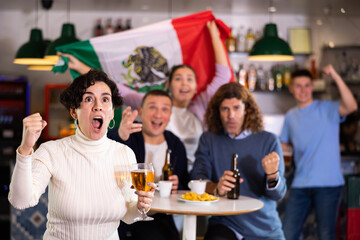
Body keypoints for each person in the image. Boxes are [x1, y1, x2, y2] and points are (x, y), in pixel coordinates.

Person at [59, 20, 232, 172]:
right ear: (169, 84)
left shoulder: (201, 104)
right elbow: (114, 87)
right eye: (178, 79)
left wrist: (213, 33)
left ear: (196, 86)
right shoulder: (150, 101)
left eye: (190, 79)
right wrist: (81, 66)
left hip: (195, 177)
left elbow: (223, 76)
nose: (184, 83)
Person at [8, 69, 156, 240]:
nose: (98, 106)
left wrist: (139, 206)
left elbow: (128, 216)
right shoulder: (52, 151)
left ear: (111, 111)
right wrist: (26, 148)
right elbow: (20, 201)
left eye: (105, 99)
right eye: (88, 99)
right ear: (73, 111)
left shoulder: (124, 153)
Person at [190, 82, 287, 240]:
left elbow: (278, 195)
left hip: (264, 227)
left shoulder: (268, 140)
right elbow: (197, 178)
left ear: (247, 110)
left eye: (236, 108)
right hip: (225, 223)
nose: (231, 116)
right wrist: (216, 188)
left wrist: (272, 176)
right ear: (217, 111)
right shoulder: (209, 139)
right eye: (225, 109)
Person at [280, 65, 358, 240]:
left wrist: (335, 75)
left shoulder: (327, 108)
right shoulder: (290, 116)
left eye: (307, 85)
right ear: (291, 89)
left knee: (326, 235)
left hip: (328, 184)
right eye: (298, 86)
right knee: (287, 233)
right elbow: (283, 145)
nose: (303, 90)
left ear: (313, 87)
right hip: (300, 183)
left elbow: (352, 106)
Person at [108, 90, 189, 240]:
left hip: (161, 217)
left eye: (164, 109)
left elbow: (185, 184)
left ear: (170, 114)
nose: (158, 114)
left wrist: (178, 185)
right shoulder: (129, 133)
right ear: (140, 111)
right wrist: (120, 136)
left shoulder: (176, 144)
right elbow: (106, 154)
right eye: (152, 107)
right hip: (127, 215)